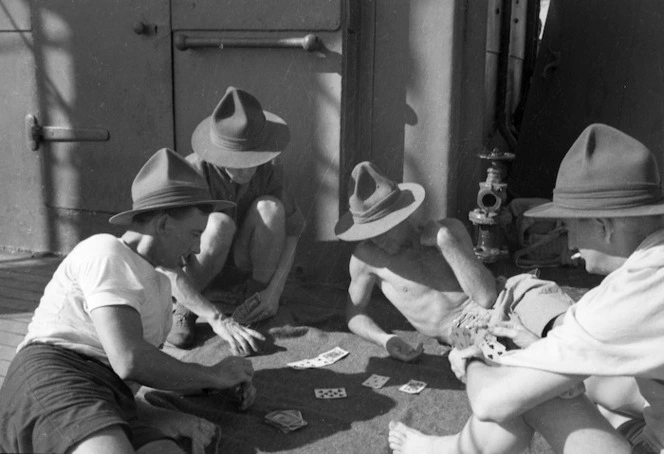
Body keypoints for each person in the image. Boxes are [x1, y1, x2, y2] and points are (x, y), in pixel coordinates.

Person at [388, 123, 664, 453]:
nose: (571, 243)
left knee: (530, 396)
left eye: (571, 227)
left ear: (604, 227)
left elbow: (492, 403)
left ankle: (450, 450)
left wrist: (471, 359)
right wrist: (534, 347)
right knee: (587, 384)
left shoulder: (632, 292)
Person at [0, 148, 256, 454]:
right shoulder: (106, 251)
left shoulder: (160, 282)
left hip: (110, 399)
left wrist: (218, 386)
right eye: (194, 233)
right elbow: (129, 360)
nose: (198, 248)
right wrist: (214, 375)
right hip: (55, 376)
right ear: (162, 225)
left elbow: (127, 374)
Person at [334, 161, 575, 362]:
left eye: (383, 230)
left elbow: (486, 296)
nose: (377, 240)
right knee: (507, 360)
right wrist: (386, 340)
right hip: (458, 329)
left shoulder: (449, 231)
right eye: (369, 233)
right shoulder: (365, 259)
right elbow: (354, 315)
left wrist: (445, 243)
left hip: (506, 291)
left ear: (401, 216)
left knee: (568, 324)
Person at [167, 87, 305, 349]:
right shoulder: (192, 170)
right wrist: (189, 299)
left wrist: (273, 291)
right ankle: (184, 308)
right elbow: (166, 259)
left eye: (252, 158)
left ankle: (254, 304)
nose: (246, 169)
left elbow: (293, 231)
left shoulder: (271, 169)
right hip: (198, 271)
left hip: (244, 271)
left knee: (272, 208)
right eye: (236, 160)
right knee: (220, 224)